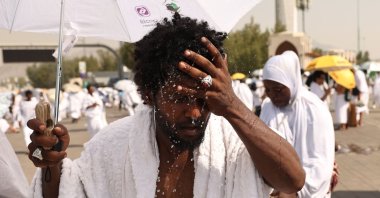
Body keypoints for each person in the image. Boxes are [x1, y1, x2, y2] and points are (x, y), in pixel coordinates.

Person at [27, 13, 305, 197]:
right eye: (180, 99)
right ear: (149, 93)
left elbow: (292, 180)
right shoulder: (113, 146)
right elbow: (70, 192)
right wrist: (51, 166)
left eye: (203, 99)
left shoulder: (234, 145)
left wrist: (232, 105)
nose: (195, 113)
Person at [260, 51, 335, 197]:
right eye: (267, 90)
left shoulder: (314, 108)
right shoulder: (268, 107)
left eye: (278, 89)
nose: (272, 94)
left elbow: (320, 162)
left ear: (291, 81)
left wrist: (294, 192)